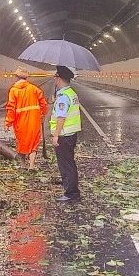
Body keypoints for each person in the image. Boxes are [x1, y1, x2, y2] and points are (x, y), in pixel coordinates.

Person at [4, 68, 48, 170]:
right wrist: (42, 114)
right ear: (26, 77)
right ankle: (31, 166)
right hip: (34, 120)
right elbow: (43, 104)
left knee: (21, 142)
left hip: (20, 121)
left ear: (16, 77)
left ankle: (23, 165)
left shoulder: (13, 90)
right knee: (34, 142)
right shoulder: (34, 89)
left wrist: (8, 123)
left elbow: (11, 108)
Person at [51, 65, 82, 203]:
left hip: (64, 135)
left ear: (59, 78)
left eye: (55, 76)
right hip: (71, 134)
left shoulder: (63, 96)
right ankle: (70, 188)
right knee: (69, 162)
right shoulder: (71, 93)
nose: (54, 79)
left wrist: (56, 135)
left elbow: (61, 117)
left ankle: (71, 193)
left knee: (66, 164)